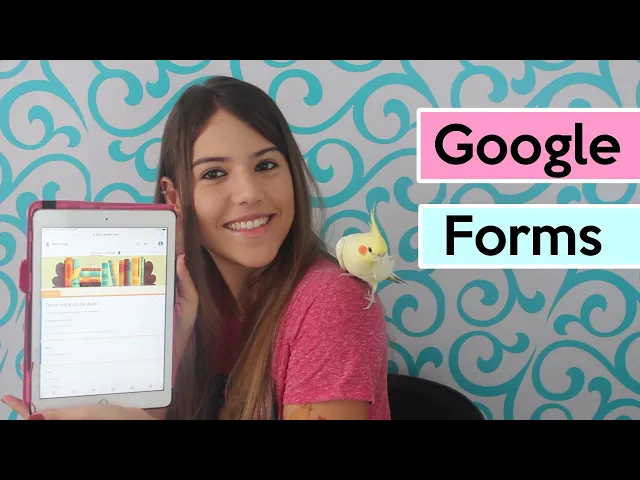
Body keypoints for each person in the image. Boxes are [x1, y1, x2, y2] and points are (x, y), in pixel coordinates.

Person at [2, 76, 391, 420]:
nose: (248, 193)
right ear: (174, 198)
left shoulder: (332, 302)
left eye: (266, 165)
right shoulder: (174, 307)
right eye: (214, 173)